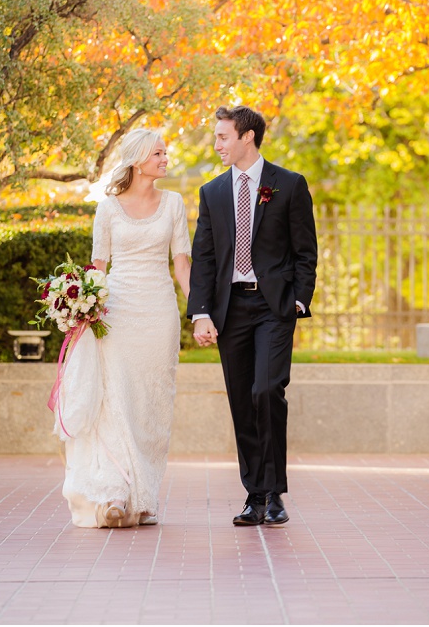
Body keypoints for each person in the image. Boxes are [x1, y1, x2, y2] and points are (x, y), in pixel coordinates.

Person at [187, 105, 318, 527]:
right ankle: (254, 495)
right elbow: (204, 259)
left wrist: (299, 298)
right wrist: (201, 313)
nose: (217, 144)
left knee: (266, 391)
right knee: (243, 402)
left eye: (223, 136)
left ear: (247, 137)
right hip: (230, 310)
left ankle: (275, 491)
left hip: (274, 307)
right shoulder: (212, 193)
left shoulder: (290, 185)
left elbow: (305, 250)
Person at [59, 128, 192, 528]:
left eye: (165, 153)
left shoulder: (174, 204)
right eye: (158, 153)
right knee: (117, 398)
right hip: (116, 311)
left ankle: (144, 494)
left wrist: (200, 312)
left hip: (159, 312)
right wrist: (85, 308)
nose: (165, 159)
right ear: (137, 160)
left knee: (151, 402)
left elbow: (181, 264)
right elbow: (98, 269)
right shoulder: (108, 209)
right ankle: (116, 492)